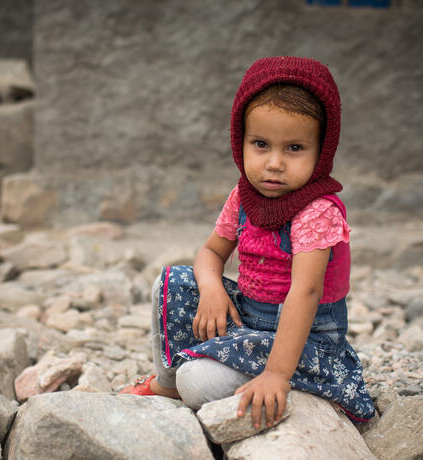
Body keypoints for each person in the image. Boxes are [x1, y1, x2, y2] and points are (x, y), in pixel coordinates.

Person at [121, 56, 375, 429]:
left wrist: (276, 374)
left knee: (199, 381)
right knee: (172, 281)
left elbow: (305, 293)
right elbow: (210, 252)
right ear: (239, 142)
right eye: (260, 144)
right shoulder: (243, 197)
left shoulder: (316, 212)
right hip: (248, 319)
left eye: (294, 148)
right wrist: (211, 289)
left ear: (323, 151)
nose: (274, 163)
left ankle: (267, 381)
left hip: (303, 342)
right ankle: (167, 382)